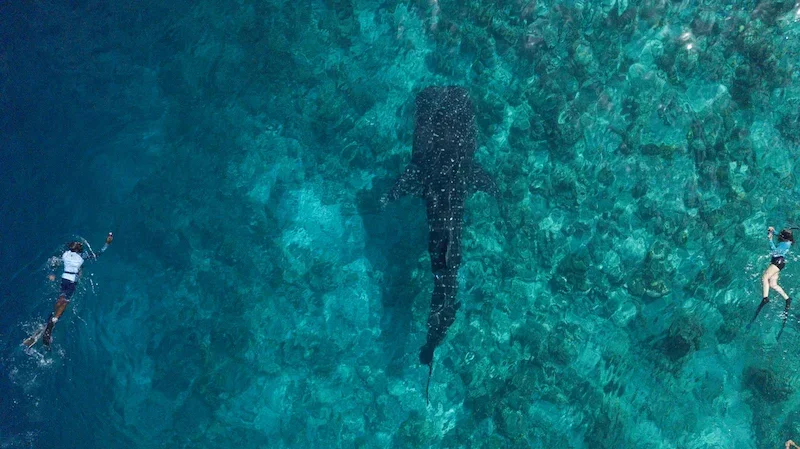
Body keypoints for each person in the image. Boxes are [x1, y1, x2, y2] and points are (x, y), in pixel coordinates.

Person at [25, 232, 113, 347]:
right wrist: (107, 243)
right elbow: (98, 254)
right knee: (65, 303)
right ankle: (53, 321)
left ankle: (50, 319)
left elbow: (54, 262)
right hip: (72, 282)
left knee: (60, 299)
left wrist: (52, 273)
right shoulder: (83, 256)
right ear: (78, 249)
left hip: (64, 280)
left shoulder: (65, 254)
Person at [748, 227, 793, 339]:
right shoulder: (789, 241)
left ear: (784, 237)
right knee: (773, 284)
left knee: (764, 277)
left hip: (777, 261)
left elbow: (774, 251)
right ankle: (787, 298)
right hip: (780, 262)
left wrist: (770, 239)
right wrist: (774, 231)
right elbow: (781, 237)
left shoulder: (784, 244)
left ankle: (765, 298)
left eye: (781, 234)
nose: (780, 235)